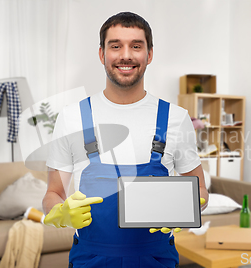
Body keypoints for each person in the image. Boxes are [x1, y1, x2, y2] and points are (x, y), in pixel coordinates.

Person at [42, 11, 209, 268]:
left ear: (149, 54)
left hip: (156, 258)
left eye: (136, 46)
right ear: (102, 54)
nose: (126, 55)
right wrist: (60, 213)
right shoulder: (72, 117)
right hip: (91, 259)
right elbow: (53, 193)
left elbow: (200, 190)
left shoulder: (176, 118)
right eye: (115, 46)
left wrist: (191, 209)